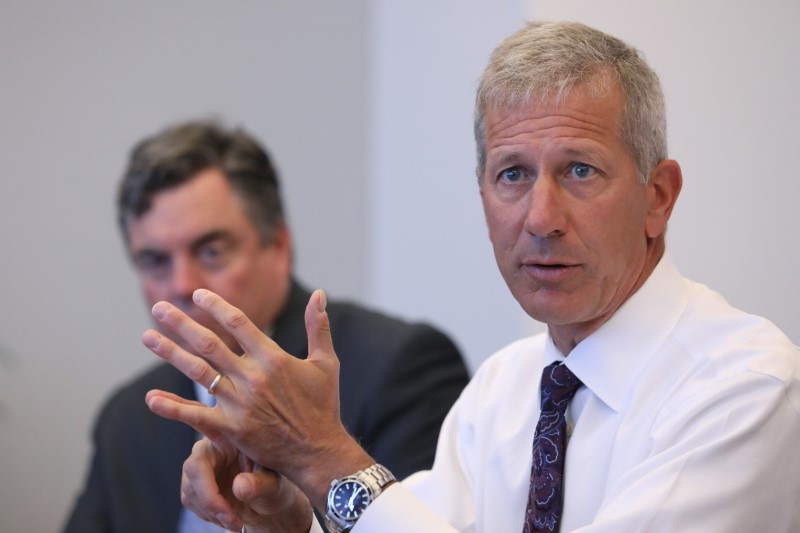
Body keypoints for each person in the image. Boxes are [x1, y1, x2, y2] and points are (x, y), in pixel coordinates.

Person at [143, 21, 800, 533]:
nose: (541, 218)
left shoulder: (747, 386)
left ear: (658, 196)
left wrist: (323, 457)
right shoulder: (505, 388)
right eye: (512, 174)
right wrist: (287, 518)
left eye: (579, 170)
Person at [62, 121, 470, 533]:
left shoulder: (400, 367)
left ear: (278, 246)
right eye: (154, 260)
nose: (181, 284)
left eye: (211, 251)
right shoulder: (129, 417)